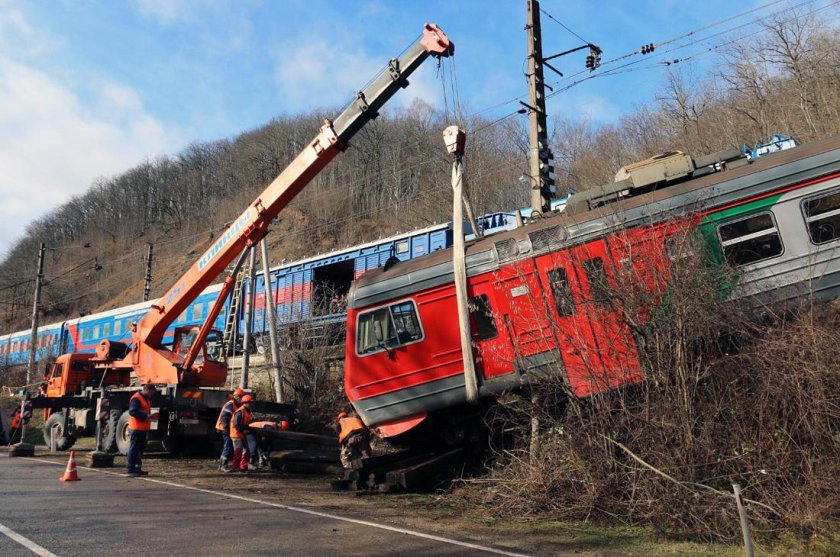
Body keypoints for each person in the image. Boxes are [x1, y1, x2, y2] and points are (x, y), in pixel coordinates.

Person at [126, 384, 157, 477]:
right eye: (151, 393)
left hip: (142, 428)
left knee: (140, 450)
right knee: (134, 449)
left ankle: (137, 469)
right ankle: (130, 470)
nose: (152, 395)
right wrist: (146, 416)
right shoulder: (136, 398)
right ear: (146, 390)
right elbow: (132, 411)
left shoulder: (145, 398)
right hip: (136, 428)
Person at [215, 387, 244, 472]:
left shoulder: (235, 404)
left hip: (225, 428)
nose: (242, 400)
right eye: (241, 398)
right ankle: (223, 465)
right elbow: (224, 417)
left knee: (227, 445)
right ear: (237, 397)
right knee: (227, 445)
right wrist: (226, 429)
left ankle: (221, 466)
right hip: (224, 428)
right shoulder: (231, 404)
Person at [229, 394, 253, 473]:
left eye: (251, 402)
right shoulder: (240, 412)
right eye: (248, 402)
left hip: (241, 434)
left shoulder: (248, 411)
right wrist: (243, 430)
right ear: (244, 403)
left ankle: (243, 466)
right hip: (236, 434)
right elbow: (236, 425)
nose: (250, 404)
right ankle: (235, 467)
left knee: (246, 450)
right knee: (238, 451)